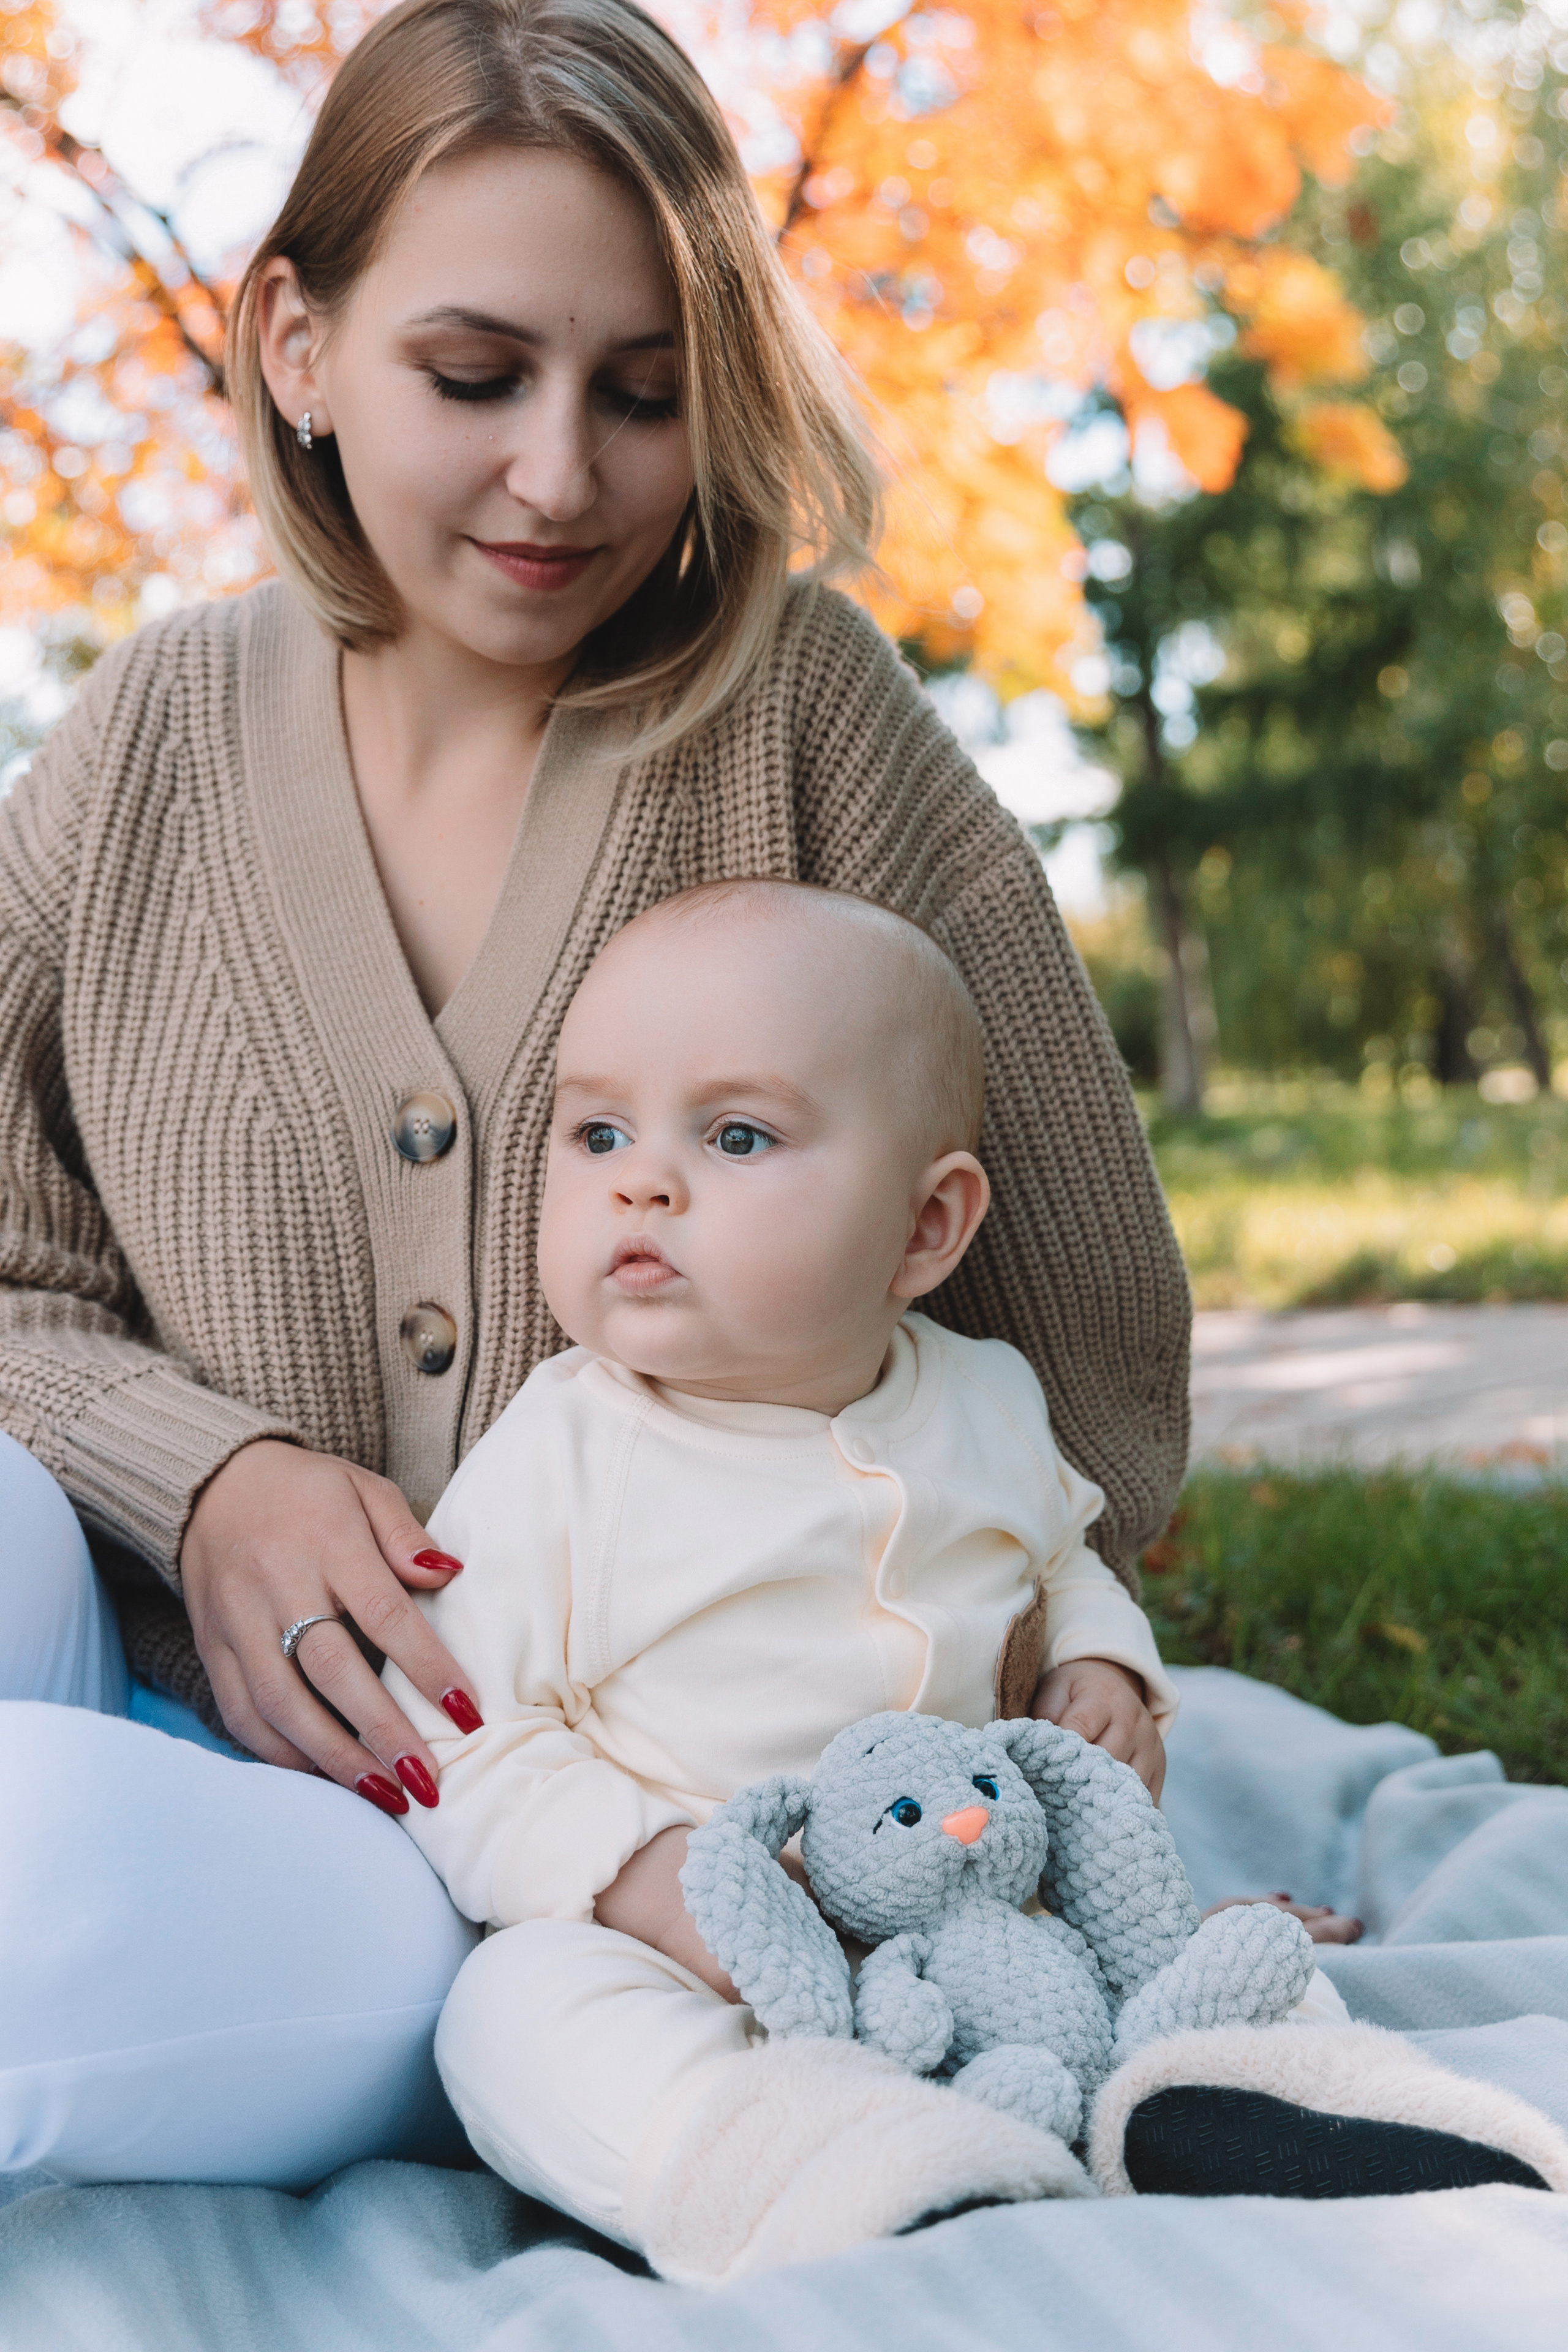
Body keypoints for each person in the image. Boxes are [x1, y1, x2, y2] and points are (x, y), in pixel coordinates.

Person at [0, 0, 1191, 2189]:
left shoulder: (803, 720)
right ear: (298, 343)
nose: (563, 475)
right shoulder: (144, 740)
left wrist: (1022, 1771)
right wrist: (208, 1477)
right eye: (476, 379)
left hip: (467, 1841)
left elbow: (1079, 1332)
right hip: (127, 1650)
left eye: (643, 395)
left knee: (43, 1877)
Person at [385, 877, 1187, 2279]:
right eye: (597, 1133)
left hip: (977, 1918)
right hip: (701, 1954)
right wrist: (641, 1876)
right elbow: (453, 1725)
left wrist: (1102, 1666)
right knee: (512, 2014)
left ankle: (1209, 2088)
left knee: (1177, 1951)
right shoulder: (568, 1450)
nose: (641, 1181)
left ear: (925, 1231)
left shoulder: (985, 1401)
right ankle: (811, 2173)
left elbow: (1063, 1557)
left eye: (736, 1135)